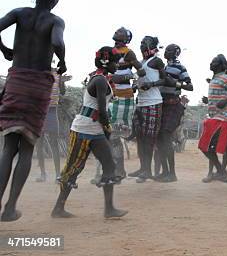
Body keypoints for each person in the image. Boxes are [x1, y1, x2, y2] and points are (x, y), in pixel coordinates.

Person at [0, 0, 67, 222]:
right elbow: (57, 42)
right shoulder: (55, 21)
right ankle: (10, 208)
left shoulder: (19, 14)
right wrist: (63, 60)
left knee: (9, 147)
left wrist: (4, 49)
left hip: (16, 81)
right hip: (38, 85)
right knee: (26, 148)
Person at [51, 46, 127, 219]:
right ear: (107, 62)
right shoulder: (100, 80)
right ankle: (58, 208)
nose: (119, 65)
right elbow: (101, 110)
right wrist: (108, 130)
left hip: (94, 130)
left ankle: (109, 209)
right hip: (83, 130)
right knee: (73, 169)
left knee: (109, 165)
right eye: (116, 62)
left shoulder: (102, 79)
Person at [198, 55, 227, 183]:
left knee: (206, 146)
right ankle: (220, 171)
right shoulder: (215, 79)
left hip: (222, 118)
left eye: (214, 62)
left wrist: (225, 101)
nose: (211, 63)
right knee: (207, 147)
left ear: (220, 65)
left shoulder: (225, 78)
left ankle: (220, 171)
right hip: (216, 117)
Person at [107, 27, 144, 180]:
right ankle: (116, 170)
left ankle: (119, 170)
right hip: (110, 95)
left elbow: (141, 72)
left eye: (120, 34)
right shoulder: (109, 51)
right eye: (116, 33)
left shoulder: (129, 53)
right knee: (110, 135)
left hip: (124, 97)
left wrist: (125, 77)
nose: (117, 34)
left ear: (126, 38)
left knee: (114, 135)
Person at [133, 36, 169, 183]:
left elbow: (165, 79)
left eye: (144, 43)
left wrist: (152, 84)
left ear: (153, 45)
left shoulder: (156, 61)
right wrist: (136, 86)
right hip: (141, 103)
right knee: (140, 138)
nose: (142, 45)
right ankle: (143, 168)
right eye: (141, 43)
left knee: (148, 139)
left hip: (153, 102)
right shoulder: (141, 63)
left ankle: (147, 171)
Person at [154, 44, 192, 182]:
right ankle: (165, 172)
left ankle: (172, 174)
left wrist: (174, 83)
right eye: (166, 50)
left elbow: (190, 86)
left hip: (173, 106)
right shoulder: (163, 67)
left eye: (169, 50)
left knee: (165, 136)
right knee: (159, 138)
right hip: (162, 105)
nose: (166, 52)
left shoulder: (180, 68)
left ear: (176, 53)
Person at [205, 63, 227, 179]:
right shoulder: (220, 81)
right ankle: (212, 172)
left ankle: (221, 173)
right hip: (218, 116)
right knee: (212, 145)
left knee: (226, 147)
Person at [35, 64, 69, 183]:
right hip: (40, 112)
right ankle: (43, 173)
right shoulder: (39, 74)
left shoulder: (57, 75)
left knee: (54, 143)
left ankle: (57, 175)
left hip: (52, 112)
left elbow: (63, 92)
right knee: (39, 143)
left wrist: (62, 82)